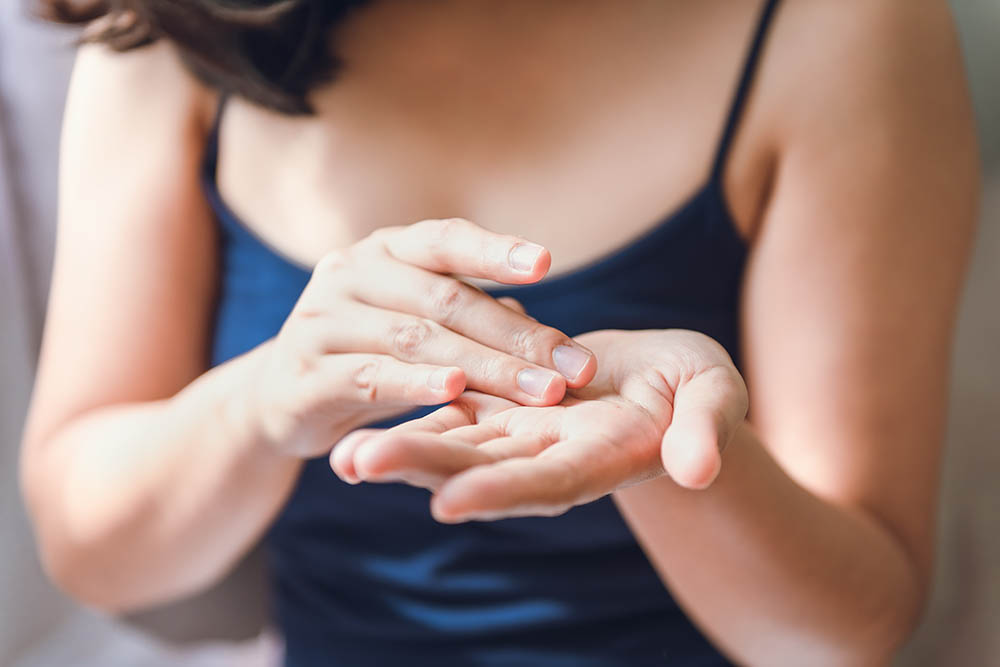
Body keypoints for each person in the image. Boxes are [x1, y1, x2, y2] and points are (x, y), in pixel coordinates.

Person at [20, 1, 979, 665]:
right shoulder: (169, 40)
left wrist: (672, 458)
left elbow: (851, 634)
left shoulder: (839, 32)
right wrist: (268, 399)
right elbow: (91, 547)